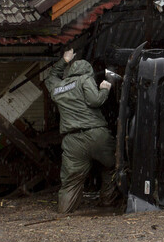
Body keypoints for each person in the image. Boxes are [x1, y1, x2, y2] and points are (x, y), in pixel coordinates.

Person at [45, 48, 117, 213]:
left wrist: (64, 60)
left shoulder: (59, 87)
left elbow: (50, 78)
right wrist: (105, 88)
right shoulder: (85, 79)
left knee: (71, 181)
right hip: (96, 134)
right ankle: (108, 202)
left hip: (72, 140)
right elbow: (95, 101)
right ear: (88, 71)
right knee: (112, 168)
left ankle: (65, 210)